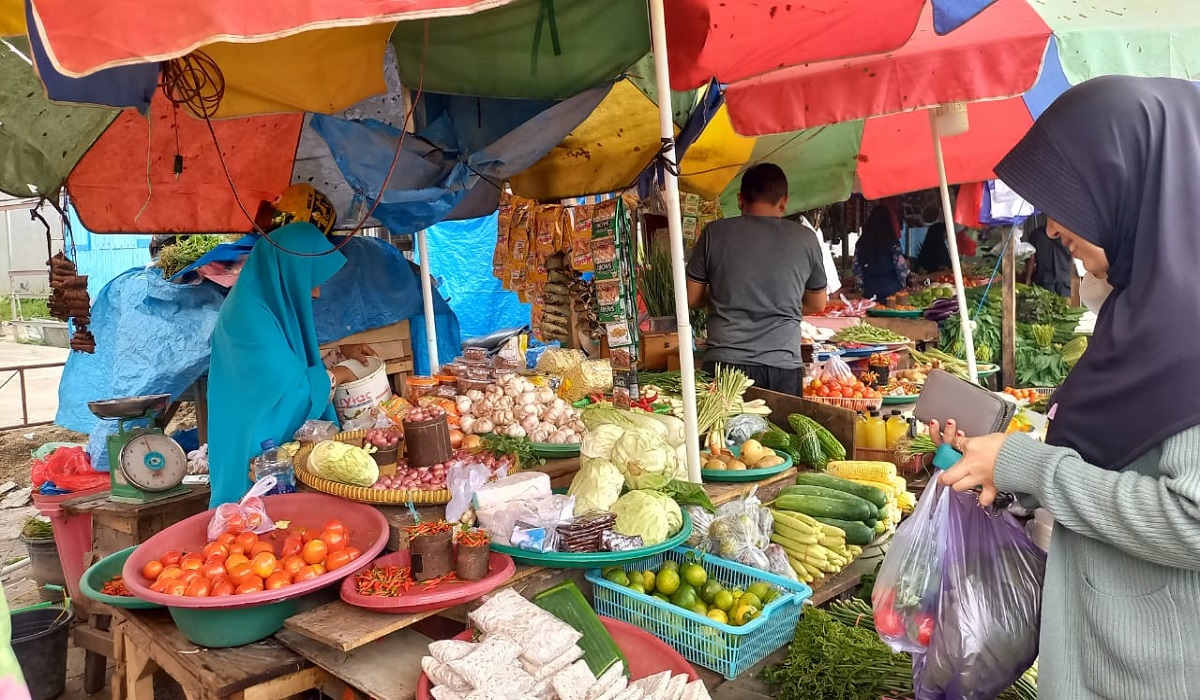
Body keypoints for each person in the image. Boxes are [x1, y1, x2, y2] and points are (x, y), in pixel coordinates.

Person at [931, 76, 1200, 698]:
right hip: (1110, 653)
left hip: (1159, 671)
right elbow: (1120, 462)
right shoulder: (1142, 310)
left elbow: (1191, 519)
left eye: (1068, 200)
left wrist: (1032, 464)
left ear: (1131, 187)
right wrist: (1009, 470)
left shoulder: (1187, 328)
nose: (1052, 228)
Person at [207, 186, 377, 507]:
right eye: (310, 278)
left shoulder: (259, 303)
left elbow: (289, 362)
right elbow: (290, 390)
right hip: (254, 463)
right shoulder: (250, 319)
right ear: (288, 270)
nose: (316, 292)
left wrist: (341, 352)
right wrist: (340, 373)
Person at [686, 163, 827, 395]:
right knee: (780, 432)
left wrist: (727, 294)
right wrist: (777, 300)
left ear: (741, 199)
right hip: (782, 367)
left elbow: (691, 297)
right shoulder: (805, 239)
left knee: (721, 432)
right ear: (783, 202)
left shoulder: (714, 233)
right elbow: (817, 303)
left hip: (725, 366)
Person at [852, 204, 908, 302]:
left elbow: (857, 270)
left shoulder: (861, 243)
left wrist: (862, 288)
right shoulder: (892, 242)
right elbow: (901, 269)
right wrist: (902, 286)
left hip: (870, 291)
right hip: (892, 291)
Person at [1023, 216, 1073, 297]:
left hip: (1044, 280)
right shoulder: (1068, 234)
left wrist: (1027, 280)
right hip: (1064, 280)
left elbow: (1031, 259)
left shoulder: (1036, 234)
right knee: (1065, 307)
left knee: (1046, 306)